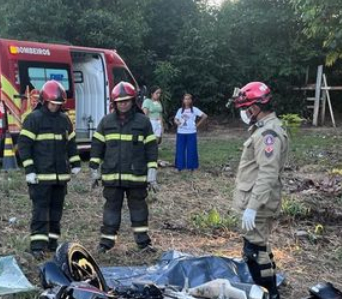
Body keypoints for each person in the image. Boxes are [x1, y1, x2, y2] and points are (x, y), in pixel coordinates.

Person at [230, 82, 289, 299]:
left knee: (255, 251)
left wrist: (253, 207)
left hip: (259, 203)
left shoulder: (268, 134)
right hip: (255, 200)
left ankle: (269, 298)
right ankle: (269, 292)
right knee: (258, 246)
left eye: (245, 108)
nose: (244, 113)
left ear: (255, 108)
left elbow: (267, 173)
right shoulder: (263, 130)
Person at [89, 82, 158, 253]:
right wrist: (94, 170)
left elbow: (151, 148)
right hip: (112, 176)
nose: (123, 104)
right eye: (120, 101)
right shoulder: (106, 122)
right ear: (114, 103)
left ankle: (143, 243)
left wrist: (152, 173)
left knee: (139, 209)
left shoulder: (143, 122)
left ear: (133, 101)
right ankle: (106, 243)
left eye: (127, 100)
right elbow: (97, 146)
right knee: (111, 209)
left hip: (136, 177)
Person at [17, 80, 82, 258]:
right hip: (40, 177)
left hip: (60, 177)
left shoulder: (64, 120)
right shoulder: (34, 119)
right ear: (45, 101)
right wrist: (29, 169)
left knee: (56, 211)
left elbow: (71, 144)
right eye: (53, 104)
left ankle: (52, 243)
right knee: (40, 211)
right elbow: (24, 146)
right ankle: (37, 246)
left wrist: (75, 163)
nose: (55, 107)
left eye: (58, 104)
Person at [173, 93, 207, 171]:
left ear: (191, 100)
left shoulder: (194, 109)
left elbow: (204, 116)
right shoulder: (180, 110)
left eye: (189, 99)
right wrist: (177, 123)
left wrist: (197, 125)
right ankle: (179, 166)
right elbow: (175, 119)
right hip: (181, 132)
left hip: (191, 132)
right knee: (180, 149)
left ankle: (192, 166)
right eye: (185, 99)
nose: (187, 100)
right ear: (183, 100)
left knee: (192, 149)